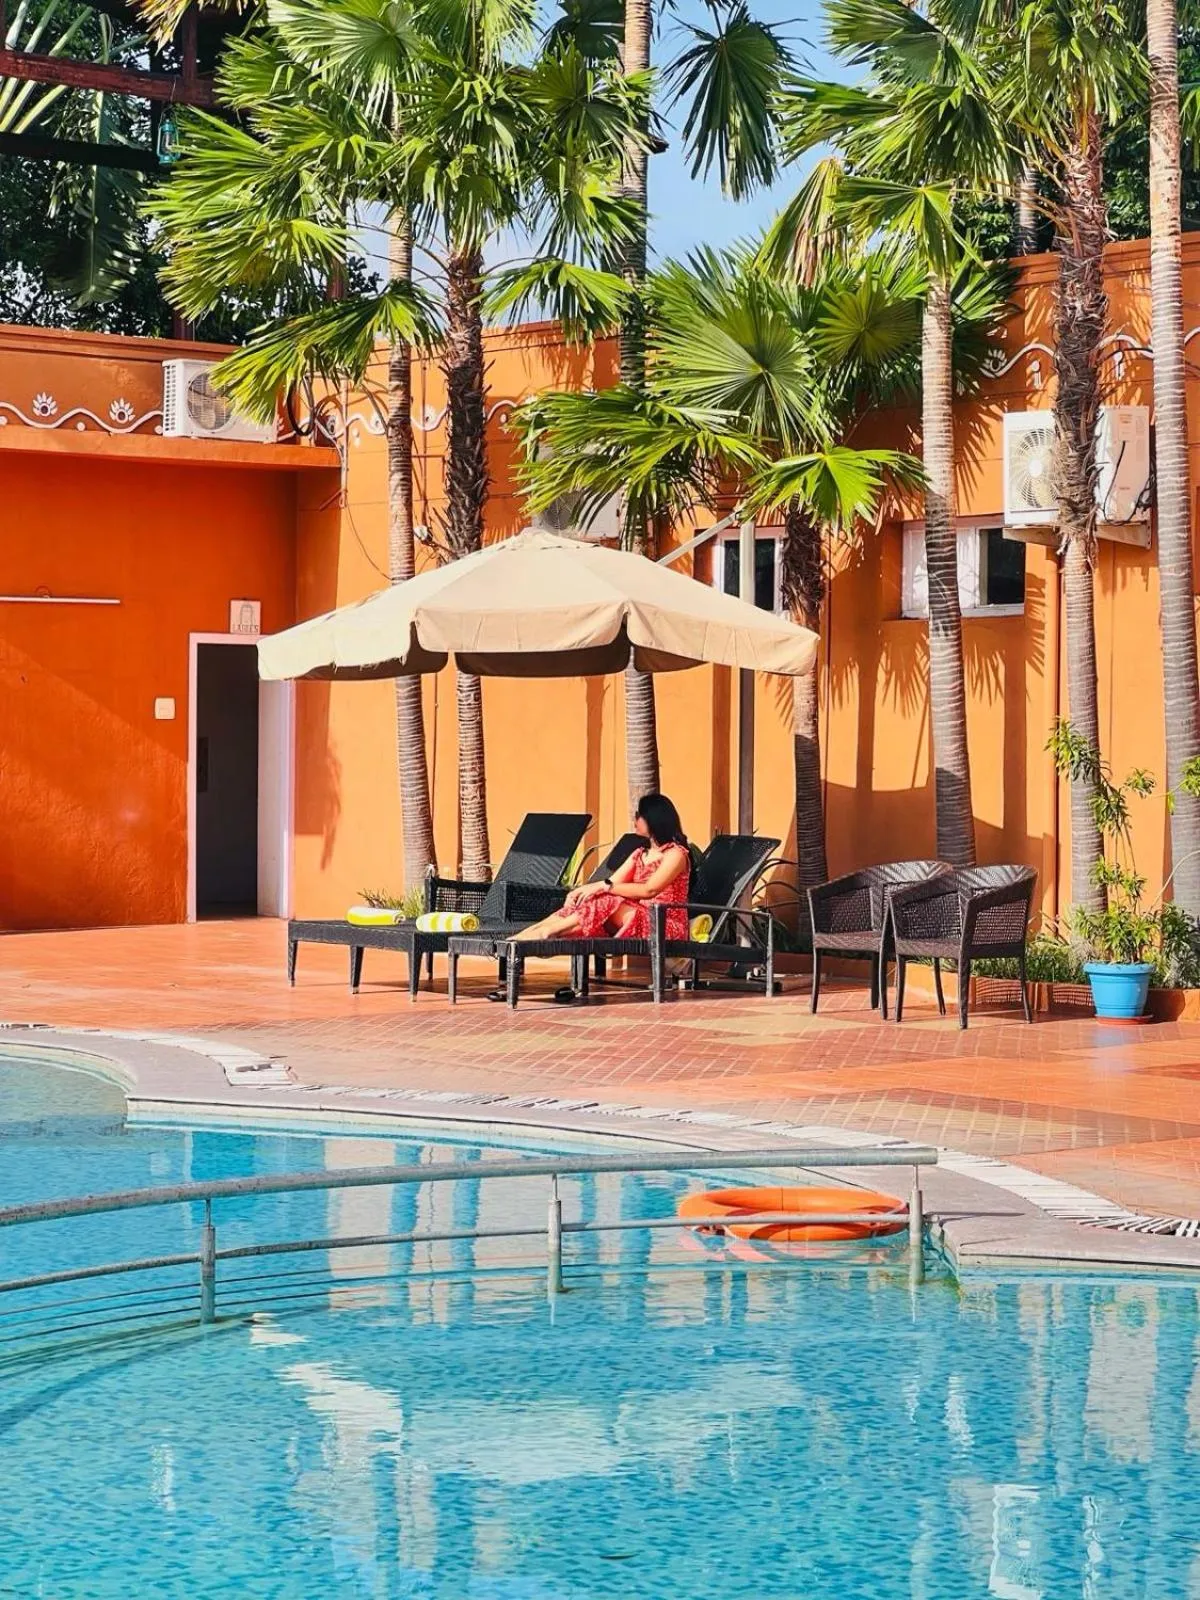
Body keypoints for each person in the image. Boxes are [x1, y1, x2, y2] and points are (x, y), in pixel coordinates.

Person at [513, 793, 692, 945]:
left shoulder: (675, 854)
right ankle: (532, 932)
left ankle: (547, 933)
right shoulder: (639, 854)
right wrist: (580, 891)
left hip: (665, 925)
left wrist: (605, 887)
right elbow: (612, 882)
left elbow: (649, 889)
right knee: (592, 898)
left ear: (654, 819)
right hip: (635, 917)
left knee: (607, 898)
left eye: (639, 815)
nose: (635, 819)